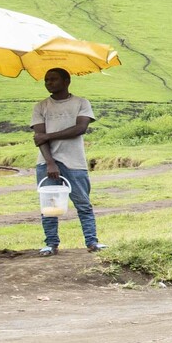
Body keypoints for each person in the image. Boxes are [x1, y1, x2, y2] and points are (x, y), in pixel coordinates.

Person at [31, 67, 104, 255]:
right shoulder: (41, 107)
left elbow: (80, 128)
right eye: (46, 80)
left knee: (83, 204)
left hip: (75, 162)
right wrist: (50, 163)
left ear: (66, 81)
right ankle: (51, 244)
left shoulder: (81, 103)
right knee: (49, 206)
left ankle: (92, 242)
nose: (48, 83)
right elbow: (39, 139)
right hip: (46, 162)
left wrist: (48, 135)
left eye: (53, 79)